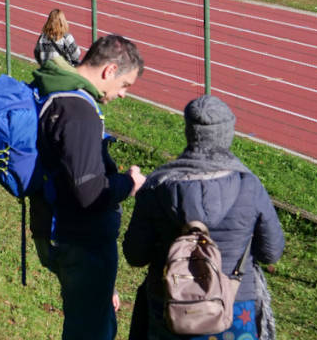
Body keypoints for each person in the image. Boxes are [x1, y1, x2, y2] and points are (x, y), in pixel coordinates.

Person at [123, 95, 284, 339]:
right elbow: (271, 252)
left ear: (189, 132)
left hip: (169, 306)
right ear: (227, 133)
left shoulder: (156, 186)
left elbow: (135, 255)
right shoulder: (248, 185)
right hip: (234, 305)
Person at [31, 34, 147, 340]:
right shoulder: (78, 112)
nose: (123, 94)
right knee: (90, 332)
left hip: (67, 234)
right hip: (83, 242)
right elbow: (89, 191)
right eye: (126, 85)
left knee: (91, 323)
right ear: (110, 71)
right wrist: (129, 183)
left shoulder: (57, 92)